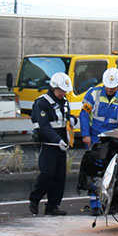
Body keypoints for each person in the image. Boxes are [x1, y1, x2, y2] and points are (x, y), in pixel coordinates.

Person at [79, 67, 118, 215]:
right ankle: (95, 203)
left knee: (111, 172)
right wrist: (85, 134)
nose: (109, 89)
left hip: (112, 139)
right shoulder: (93, 93)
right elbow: (84, 114)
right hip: (95, 137)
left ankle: (108, 202)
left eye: (113, 87)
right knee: (94, 170)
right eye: (107, 86)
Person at [28, 72, 74, 216]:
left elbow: (65, 118)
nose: (63, 93)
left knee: (60, 176)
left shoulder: (64, 101)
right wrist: (57, 140)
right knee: (47, 174)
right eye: (61, 91)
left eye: (64, 91)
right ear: (53, 87)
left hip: (62, 143)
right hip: (48, 143)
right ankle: (34, 200)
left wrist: (72, 120)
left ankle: (53, 206)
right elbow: (44, 125)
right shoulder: (42, 102)